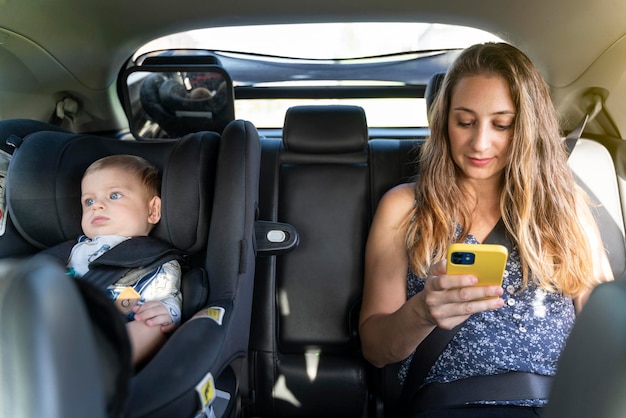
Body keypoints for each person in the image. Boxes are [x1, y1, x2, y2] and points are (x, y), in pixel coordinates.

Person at [359, 42, 614, 417]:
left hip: (562, 403)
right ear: (444, 120)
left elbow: (606, 318)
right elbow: (375, 349)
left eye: (502, 125)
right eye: (465, 121)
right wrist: (423, 313)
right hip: (453, 405)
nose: (480, 143)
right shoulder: (405, 208)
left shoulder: (565, 205)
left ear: (528, 127)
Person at [66, 154, 182, 366]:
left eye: (114, 195)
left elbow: (166, 294)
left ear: (153, 210)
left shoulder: (155, 259)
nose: (96, 206)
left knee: (151, 327)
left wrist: (167, 310)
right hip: (63, 324)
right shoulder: (73, 250)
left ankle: (96, 369)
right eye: (89, 200)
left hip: (115, 328)